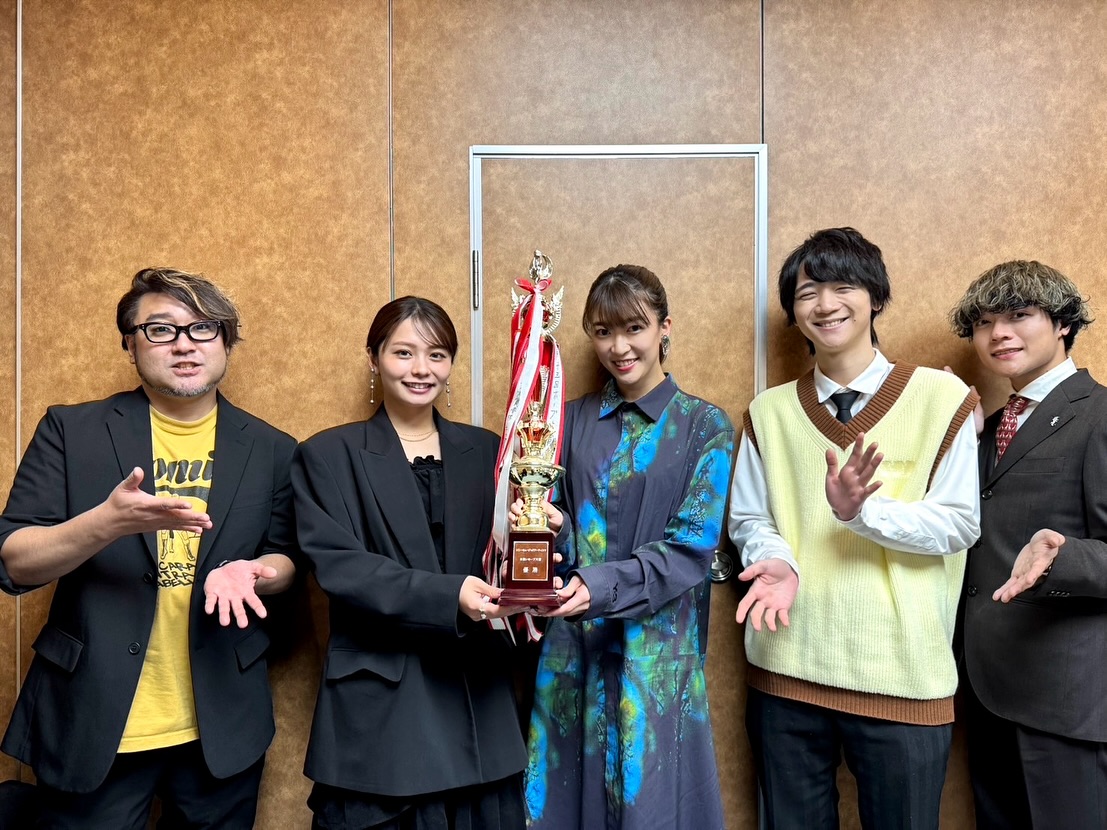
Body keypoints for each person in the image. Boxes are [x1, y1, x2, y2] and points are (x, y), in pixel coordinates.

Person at [0, 267, 299, 828]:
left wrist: (255, 571)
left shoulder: (273, 448)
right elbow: (15, 562)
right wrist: (105, 523)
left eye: (203, 328)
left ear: (226, 340)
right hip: (92, 715)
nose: (185, 344)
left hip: (222, 719)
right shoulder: (71, 431)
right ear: (130, 343)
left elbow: (286, 558)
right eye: (160, 329)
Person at [728, 228, 980, 829]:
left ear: (876, 297)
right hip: (786, 671)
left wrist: (861, 513)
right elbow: (749, 518)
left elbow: (959, 523)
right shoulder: (769, 412)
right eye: (807, 292)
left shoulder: (941, 397)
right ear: (794, 312)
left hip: (902, 678)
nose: (825, 304)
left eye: (843, 286)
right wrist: (779, 559)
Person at [292, 296, 527, 830]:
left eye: (437, 355)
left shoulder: (489, 451)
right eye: (404, 352)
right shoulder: (327, 455)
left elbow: (505, 552)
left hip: (477, 702)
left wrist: (540, 539)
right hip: (383, 709)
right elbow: (343, 569)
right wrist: (450, 596)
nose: (422, 369)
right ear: (374, 358)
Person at [524, 264, 734, 830]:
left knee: (654, 808)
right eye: (603, 331)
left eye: (634, 328)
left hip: (656, 661)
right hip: (574, 653)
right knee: (567, 807)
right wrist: (549, 530)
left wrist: (598, 584)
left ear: (665, 327)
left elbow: (691, 550)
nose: (619, 347)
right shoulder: (567, 422)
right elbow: (559, 536)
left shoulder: (704, 426)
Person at [950, 260, 1106, 829]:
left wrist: (1061, 558)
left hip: (1066, 700)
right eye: (984, 323)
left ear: (1063, 324)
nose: (999, 333)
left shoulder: (1101, 415)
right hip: (986, 689)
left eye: (1019, 315)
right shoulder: (988, 427)